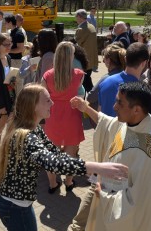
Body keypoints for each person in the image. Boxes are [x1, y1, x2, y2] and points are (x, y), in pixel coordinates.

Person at [0, 84, 128, 231]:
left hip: (19, 204)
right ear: (34, 106)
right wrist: (95, 167)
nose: (52, 103)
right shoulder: (25, 136)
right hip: (15, 207)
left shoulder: (34, 128)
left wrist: (90, 171)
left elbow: (55, 154)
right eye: (47, 100)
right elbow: (53, 163)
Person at [70, 82, 151, 231]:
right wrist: (86, 108)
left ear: (136, 109)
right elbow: (108, 124)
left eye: (119, 103)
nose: (114, 107)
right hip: (103, 189)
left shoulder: (149, 153)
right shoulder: (131, 122)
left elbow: (139, 204)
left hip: (118, 214)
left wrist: (103, 194)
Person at [41, 41, 85, 193]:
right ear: (70, 56)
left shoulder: (47, 75)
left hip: (52, 116)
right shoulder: (79, 75)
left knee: (50, 153)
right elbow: (81, 94)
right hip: (71, 116)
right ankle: (69, 181)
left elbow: (42, 96)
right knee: (71, 153)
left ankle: (53, 184)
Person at [98, 43, 149, 116]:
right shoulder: (142, 91)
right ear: (144, 63)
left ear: (125, 59)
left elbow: (99, 115)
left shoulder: (105, 82)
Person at [87, 44, 126, 110]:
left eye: (104, 58)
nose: (103, 61)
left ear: (108, 60)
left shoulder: (106, 78)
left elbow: (90, 98)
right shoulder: (126, 75)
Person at [75, 9, 98, 92]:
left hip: (83, 60)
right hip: (91, 59)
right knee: (87, 79)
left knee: (85, 82)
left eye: (76, 17)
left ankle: (94, 98)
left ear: (80, 17)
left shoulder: (81, 29)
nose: (76, 19)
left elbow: (76, 44)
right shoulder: (91, 26)